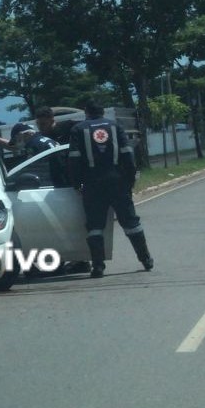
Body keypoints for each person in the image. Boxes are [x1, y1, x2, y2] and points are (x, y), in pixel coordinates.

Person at [68, 99, 153, 278]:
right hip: (117, 182)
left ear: (86, 112)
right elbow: (127, 154)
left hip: (92, 185)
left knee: (95, 226)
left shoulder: (78, 129)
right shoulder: (115, 126)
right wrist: (129, 181)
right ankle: (146, 259)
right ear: (102, 112)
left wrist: (77, 183)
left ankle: (98, 266)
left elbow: (74, 159)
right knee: (131, 222)